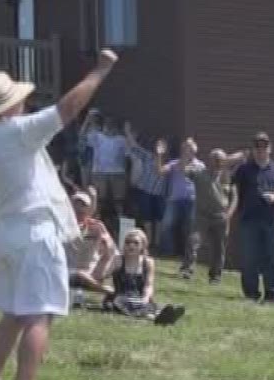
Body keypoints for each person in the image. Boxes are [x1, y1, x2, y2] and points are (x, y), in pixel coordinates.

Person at [0, 49, 119, 380]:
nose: (24, 104)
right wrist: (99, 71)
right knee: (39, 312)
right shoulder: (18, 132)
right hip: (31, 232)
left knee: (14, 313)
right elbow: (67, 109)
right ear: (7, 107)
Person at [229, 132, 274, 304]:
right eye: (257, 146)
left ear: (270, 149)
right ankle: (251, 294)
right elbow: (230, 186)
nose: (260, 150)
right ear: (253, 149)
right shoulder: (244, 169)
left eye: (264, 146)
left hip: (272, 221)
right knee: (250, 259)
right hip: (248, 221)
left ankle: (273, 294)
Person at [99, 228, 187, 325]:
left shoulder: (148, 262)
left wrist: (145, 297)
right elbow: (102, 275)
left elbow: (149, 285)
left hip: (140, 297)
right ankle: (159, 318)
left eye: (136, 243)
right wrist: (106, 256)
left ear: (143, 245)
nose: (131, 245)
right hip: (120, 297)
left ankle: (164, 315)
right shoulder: (118, 260)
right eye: (128, 242)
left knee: (149, 306)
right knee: (134, 306)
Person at [63, 190, 117, 302]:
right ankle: (107, 291)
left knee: (114, 259)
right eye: (76, 204)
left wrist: (106, 246)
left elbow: (111, 250)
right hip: (68, 270)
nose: (79, 208)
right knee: (79, 274)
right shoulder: (63, 226)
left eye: (83, 205)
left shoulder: (97, 226)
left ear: (88, 209)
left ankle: (90, 284)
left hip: (91, 270)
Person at [189, 147, 233, 283]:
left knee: (219, 248)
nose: (218, 163)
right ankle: (187, 269)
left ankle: (215, 276)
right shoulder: (200, 174)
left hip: (221, 216)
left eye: (220, 160)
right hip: (202, 215)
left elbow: (234, 196)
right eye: (216, 160)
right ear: (210, 161)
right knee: (193, 240)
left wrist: (229, 214)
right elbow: (184, 171)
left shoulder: (226, 175)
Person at [158, 137, 201, 272]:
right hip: (175, 199)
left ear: (194, 151)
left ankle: (188, 260)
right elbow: (160, 171)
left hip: (193, 200)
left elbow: (188, 172)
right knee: (166, 224)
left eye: (189, 148)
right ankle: (168, 252)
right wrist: (159, 155)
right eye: (185, 148)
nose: (186, 150)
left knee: (191, 231)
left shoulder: (200, 165)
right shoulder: (174, 163)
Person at [82, 111, 128, 237]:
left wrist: (127, 132)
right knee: (99, 201)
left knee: (119, 202)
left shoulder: (121, 140)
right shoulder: (97, 136)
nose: (109, 126)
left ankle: (122, 233)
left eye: (112, 124)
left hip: (117, 173)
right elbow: (82, 136)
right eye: (107, 123)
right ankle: (94, 231)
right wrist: (88, 119)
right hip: (100, 173)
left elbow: (128, 154)